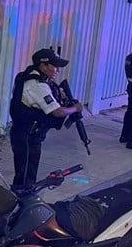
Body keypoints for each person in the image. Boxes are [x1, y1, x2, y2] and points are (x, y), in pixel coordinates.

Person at [9, 49, 83, 192]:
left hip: (28, 133)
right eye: (54, 66)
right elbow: (58, 112)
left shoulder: (33, 77)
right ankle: (20, 201)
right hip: (27, 135)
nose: (57, 70)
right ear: (43, 66)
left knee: (27, 172)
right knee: (25, 175)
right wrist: (75, 108)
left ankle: (24, 197)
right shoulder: (37, 85)